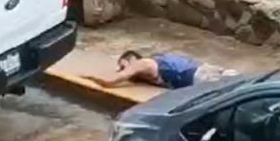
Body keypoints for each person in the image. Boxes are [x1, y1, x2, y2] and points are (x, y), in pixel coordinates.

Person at [83, 50, 237, 90]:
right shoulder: (151, 68)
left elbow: (112, 82)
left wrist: (89, 77)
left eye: (123, 65)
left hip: (202, 76)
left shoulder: (143, 63)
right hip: (203, 73)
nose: (122, 70)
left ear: (131, 60)